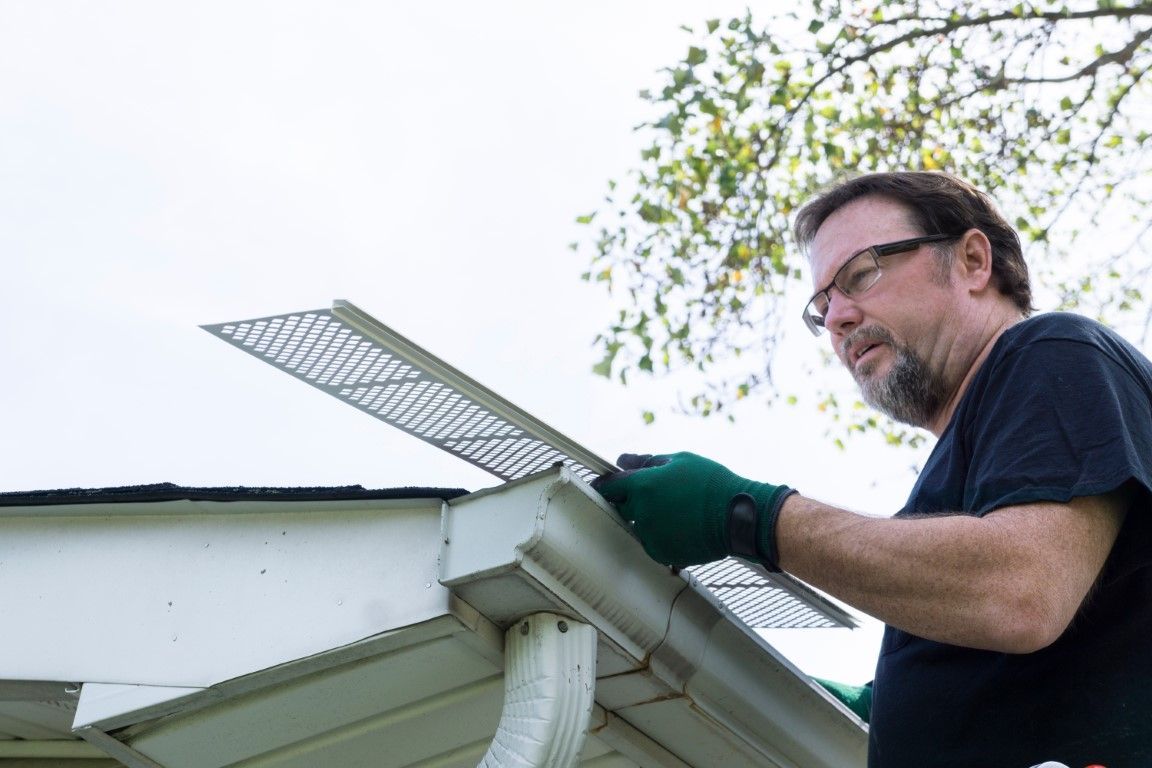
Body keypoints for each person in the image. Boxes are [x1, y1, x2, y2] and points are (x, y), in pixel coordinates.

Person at [593, 171, 1152, 768]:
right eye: (822, 306)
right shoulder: (956, 480)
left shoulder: (1054, 350)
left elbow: (1020, 592)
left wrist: (747, 516)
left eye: (860, 274)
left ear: (972, 261)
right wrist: (879, 708)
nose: (837, 318)